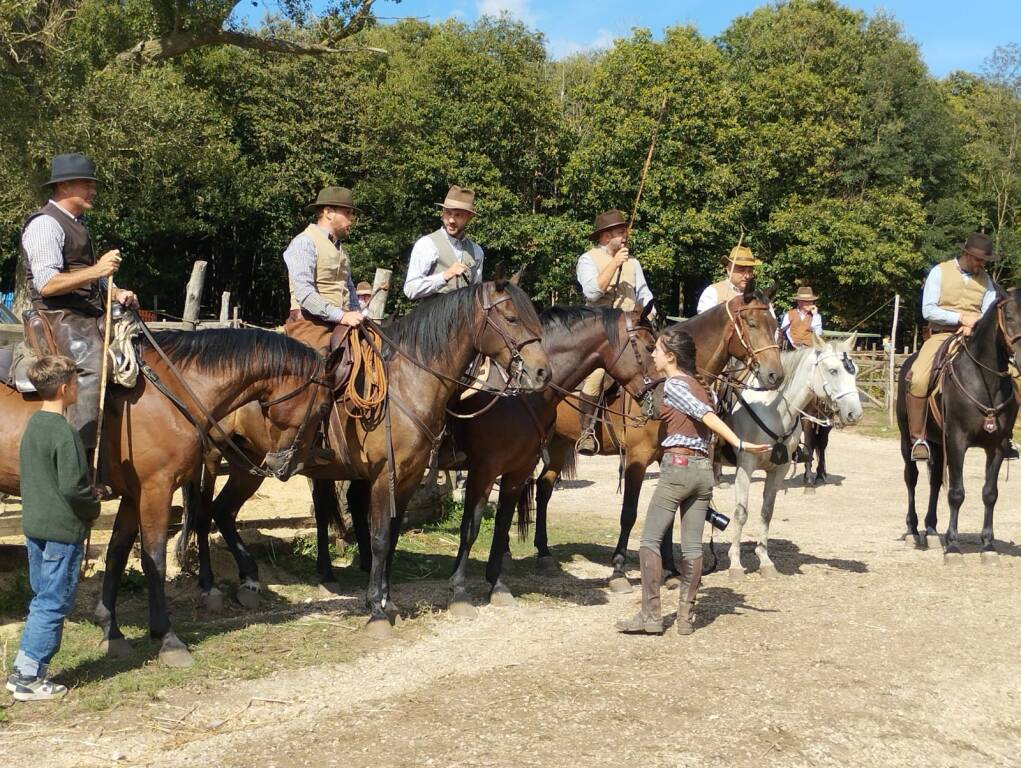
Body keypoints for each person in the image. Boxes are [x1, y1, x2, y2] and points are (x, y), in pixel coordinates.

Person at [616, 327, 769, 636]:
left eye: (657, 350)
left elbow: (704, 416)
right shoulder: (705, 387)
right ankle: (685, 618)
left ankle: (650, 616)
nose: (653, 355)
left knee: (648, 543)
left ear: (671, 356)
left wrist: (739, 443)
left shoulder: (674, 385)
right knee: (692, 547)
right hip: (702, 473)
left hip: (678, 468)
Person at [20, 153, 139, 473]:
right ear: (64, 186)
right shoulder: (45, 224)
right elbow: (47, 284)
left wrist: (115, 291)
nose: (93, 190)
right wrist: (98, 269)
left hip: (85, 312)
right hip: (58, 315)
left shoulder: (76, 225)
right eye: (87, 184)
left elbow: (88, 274)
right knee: (90, 362)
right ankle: (81, 460)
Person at [6, 356, 100, 701]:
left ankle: (24, 667)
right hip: (61, 531)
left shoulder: (34, 425)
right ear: (65, 388)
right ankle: (27, 677)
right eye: (75, 382)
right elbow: (74, 489)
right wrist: (93, 506)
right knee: (53, 602)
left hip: (35, 527)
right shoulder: (65, 432)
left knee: (42, 598)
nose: (77, 388)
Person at [906, 232, 998, 461]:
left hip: (975, 337)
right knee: (918, 377)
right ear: (967, 254)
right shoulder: (940, 272)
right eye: (979, 259)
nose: (982, 264)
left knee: (1013, 374)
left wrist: (975, 325)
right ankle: (918, 437)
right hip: (942, 334)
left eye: (985, 260)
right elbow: (928, 310)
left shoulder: (987, 281)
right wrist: (960, 318)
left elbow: (989, 312)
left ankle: (1002, 435)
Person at [574, 209, 655, 455]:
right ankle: (586, 432)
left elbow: (644, 293)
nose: (625, 236)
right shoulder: (587, 260)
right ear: (606, 236)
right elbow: (592, 292)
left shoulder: (634, 263)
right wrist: (614, 264)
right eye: (620, 232)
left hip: (633, 330)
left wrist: (651, 313)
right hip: (601, 332)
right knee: (597, 374)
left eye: (625, 231)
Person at [282, 186, 364, 351]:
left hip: (342, 322)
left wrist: (358, 314)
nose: (351, 219)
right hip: (311, 324)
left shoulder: (342, 251)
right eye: (347, 213)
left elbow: (349, 289)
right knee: (320, 369)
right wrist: (342, 316)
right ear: (328, 212)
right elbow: (304, 294)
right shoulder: (304, 242)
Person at [403, 185, 484, 300]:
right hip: (432, 316)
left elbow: (476, 293)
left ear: (469, 217)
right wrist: (444, 276)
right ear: (442, 213)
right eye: (448, 213)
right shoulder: (427, 244)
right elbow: (410, 289)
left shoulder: (477, 251)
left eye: (458, 215)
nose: (451, 220)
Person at [696, 242, 761, 314]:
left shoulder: (757, 297)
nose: (747, 276)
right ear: (729, 270)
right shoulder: (713, 292)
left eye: (750, 271)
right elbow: (704, 322)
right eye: (741, 270)